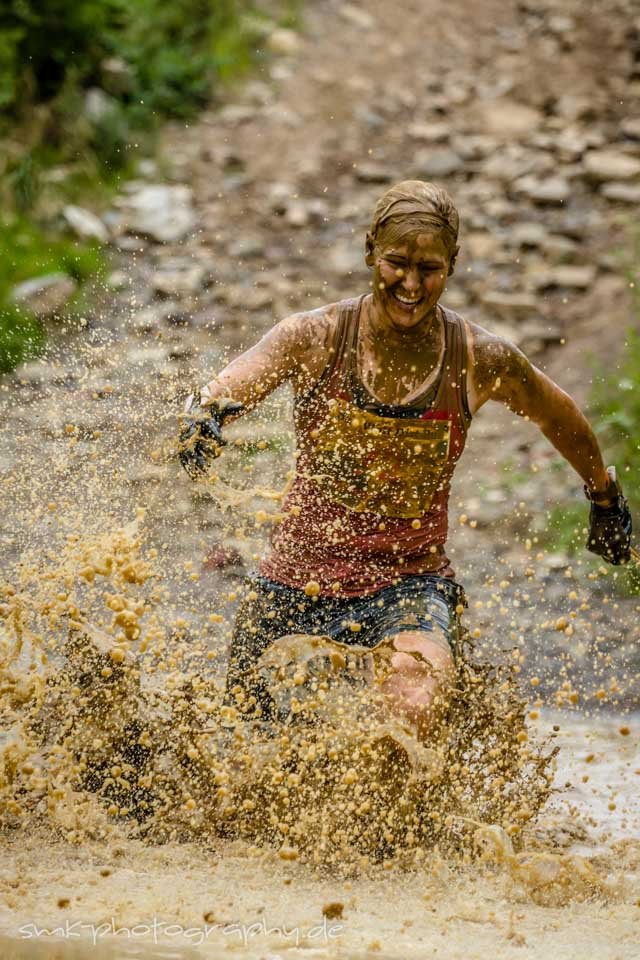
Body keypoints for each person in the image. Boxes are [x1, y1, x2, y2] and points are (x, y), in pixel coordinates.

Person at [179, 180, 632, 742]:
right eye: (397, 262)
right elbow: (240, 375)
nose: (411, 285)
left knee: (414, 705)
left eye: (430, 269)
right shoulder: (316, 337)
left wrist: (604, 497)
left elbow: (557, 414)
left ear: (453, 265)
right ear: (370, 250)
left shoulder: (478, 357)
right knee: (247, 733)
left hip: (409, 583)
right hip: (296, 577)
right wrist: (207, 416)